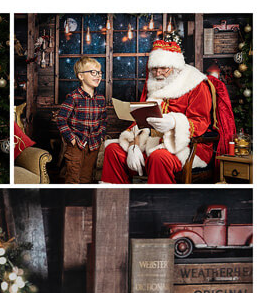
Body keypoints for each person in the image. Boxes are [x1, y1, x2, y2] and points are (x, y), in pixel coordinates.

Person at [101, 35, 216, 184]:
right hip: (151, 142)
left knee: (158, 157)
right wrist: (133, 146)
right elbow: (140, 121)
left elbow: (201, 122)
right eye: (154, 69)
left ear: (175, 68)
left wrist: (174, 122)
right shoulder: (154, 83)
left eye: (163, 68)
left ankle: (158, 202)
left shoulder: (196, 85)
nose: (158, 73)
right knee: (113, 151)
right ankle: (116, 200)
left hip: (181, 146)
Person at [56, 56, 106, 183]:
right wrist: (71, 139)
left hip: (93, 144)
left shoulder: (100, 99)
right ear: (81, 76)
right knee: (73, 178)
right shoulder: (73, 97)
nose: (98, 76)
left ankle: (84, 200)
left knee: (87, 178)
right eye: (93, 72)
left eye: (99, 73)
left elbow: (103, 120)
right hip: (76, 145)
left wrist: (100, 137)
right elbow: (61, 119)